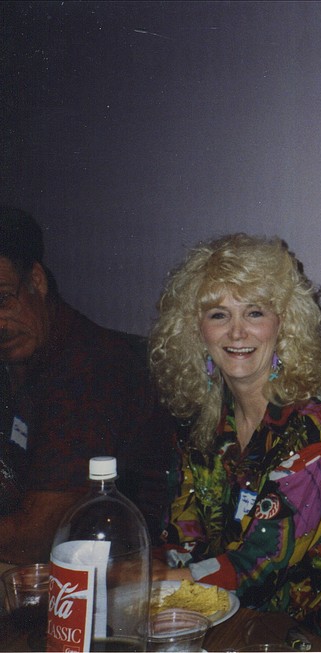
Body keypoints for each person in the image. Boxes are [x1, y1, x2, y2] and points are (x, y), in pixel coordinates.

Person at [149, 233, 321, 641]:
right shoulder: (205, 419)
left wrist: (161, 580)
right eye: (219, 315)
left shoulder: (314, 429)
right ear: (197, 329)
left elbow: (261, 564)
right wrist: (153, 569)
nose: (237, 333)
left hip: (300, 632)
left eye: (254, 313)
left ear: (283, 323)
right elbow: (183, 529)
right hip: (217, 612)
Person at [0, 206, 176, 563]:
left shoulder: (89, 369)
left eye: (3, 299)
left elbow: (37, 537)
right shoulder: (25, 352)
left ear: (37, 280)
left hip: (114, 569)